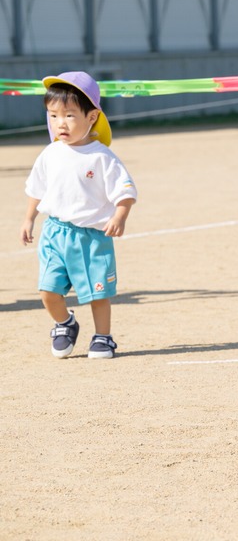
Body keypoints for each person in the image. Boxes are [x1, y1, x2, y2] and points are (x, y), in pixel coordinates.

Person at [21, 72, 137, 360]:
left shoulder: (102, 157)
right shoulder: (50, 154)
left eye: (70, 115)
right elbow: (37, 188)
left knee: (98, 294)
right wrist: (29, 219)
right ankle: (64, 324)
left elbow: (125, 191)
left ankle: (103, 338)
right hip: (55, 233)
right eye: (53, 115)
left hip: (92, 238)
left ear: (92, 116)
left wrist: (120, 216)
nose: (61, 123)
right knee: (48, 291)